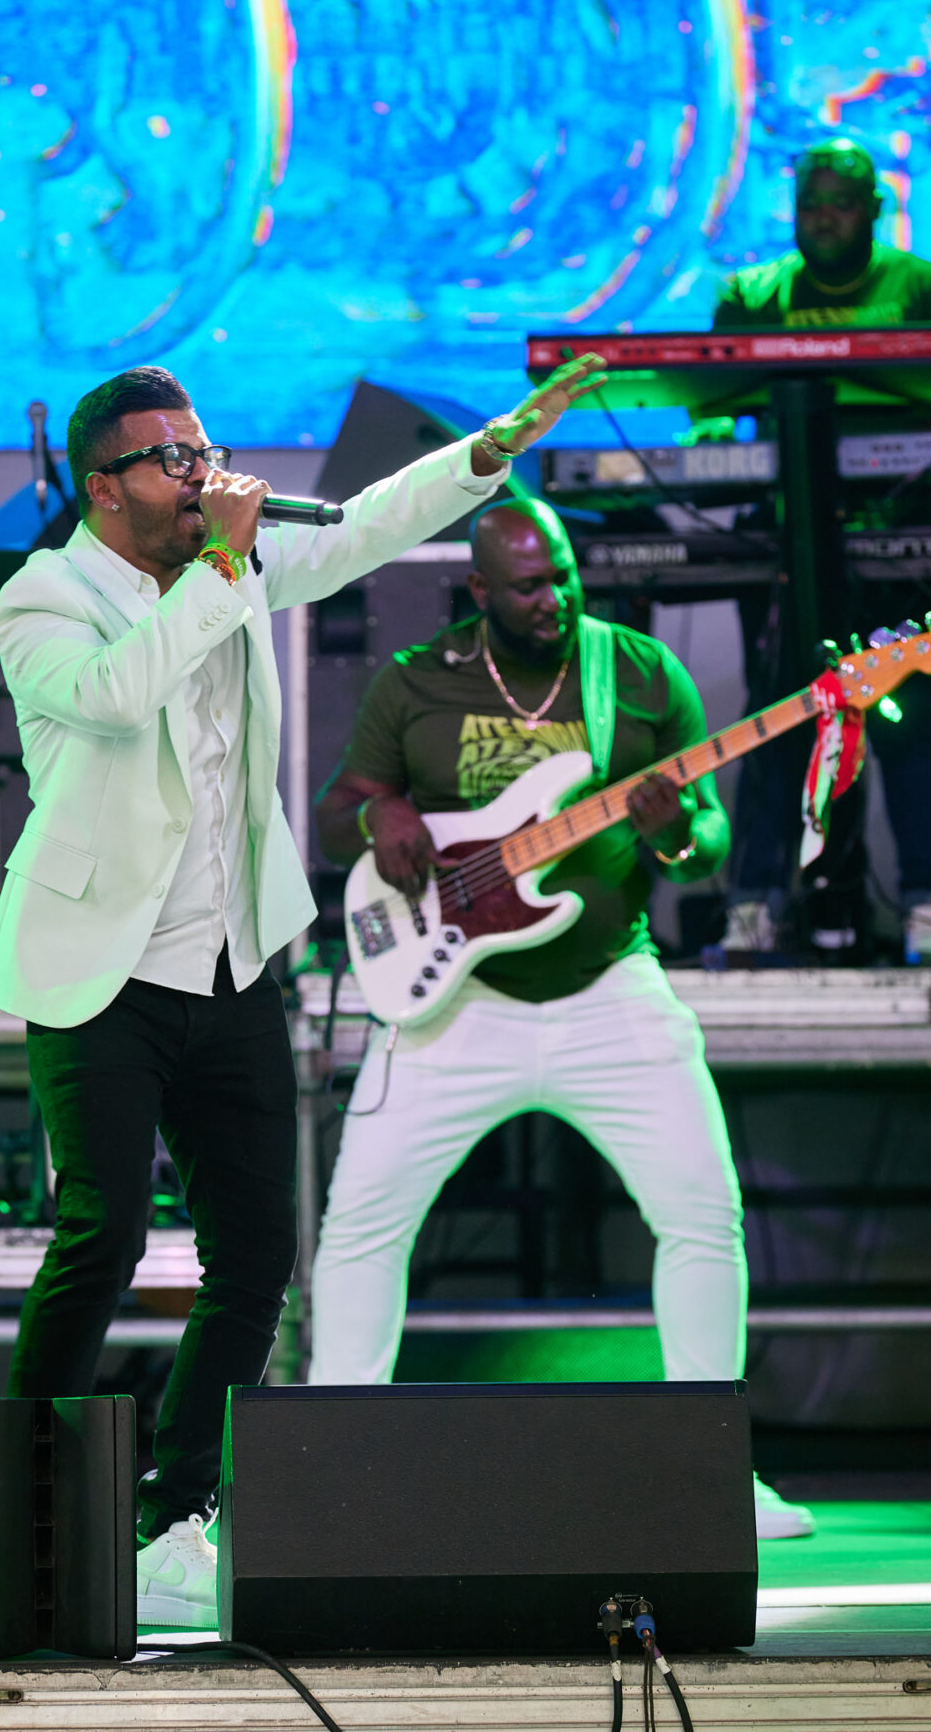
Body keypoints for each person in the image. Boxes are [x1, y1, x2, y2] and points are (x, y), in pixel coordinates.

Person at [0, 353, 603, 1629]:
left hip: (230, 960)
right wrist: (222, 563)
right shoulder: (43, 595)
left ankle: (173, 1513)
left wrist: (490, 449)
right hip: (101, 965)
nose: (200, 473)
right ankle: (21, 1512)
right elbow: (113, 697)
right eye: (171, 458)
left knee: (256, 1251)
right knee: (99, 1237)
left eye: (204, 450)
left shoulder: (238, 561)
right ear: (105, 487)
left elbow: (366, 524)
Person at [306, 497, 814, 1542]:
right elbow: (334, 813)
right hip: (452, 1002)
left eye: (566, 577)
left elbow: (707, 842)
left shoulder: (635, 671)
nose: (555, 600)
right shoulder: (417, 678)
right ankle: (332, 1472)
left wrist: (675, 836)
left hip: (607, 992)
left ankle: (713, 1472)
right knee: (359, 1227)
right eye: (530, 587)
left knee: (701, 1216)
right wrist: (380, 811)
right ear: (479, 590)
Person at [711, 140, 931, 959]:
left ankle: (922, 899)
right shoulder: (753, 294)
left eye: (840, 201)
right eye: (809, 202)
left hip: (900, 529)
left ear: (874, 208)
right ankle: (756, 902)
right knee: (780, 712)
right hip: (786, 531)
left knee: (907, 716)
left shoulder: (917, 287)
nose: (822, 217)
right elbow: (711, 406)